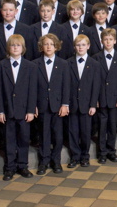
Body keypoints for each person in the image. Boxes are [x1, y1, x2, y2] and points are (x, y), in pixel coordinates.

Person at [0, 34, 36, 181]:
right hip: (7, 110)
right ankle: (9, 168)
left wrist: (31, 110)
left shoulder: (30, 66)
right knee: (9, 139)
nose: (15, 48)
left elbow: (33, 91)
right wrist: (0, 110)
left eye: (18, 45)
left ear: (23, 48)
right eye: (12, 45)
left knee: (24, 139)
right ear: (8, 48)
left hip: (24, 110)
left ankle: (22, 166)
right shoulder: (0, 66)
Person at [34, 34, 70, 175]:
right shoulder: (35, 64)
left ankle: (56, 161)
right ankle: (44, 162)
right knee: (44, 135)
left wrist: (65, 104)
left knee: (58, 136)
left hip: (58, 106)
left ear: (56, 46)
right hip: (42, 105)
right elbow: (33, 87)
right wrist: (33, 105)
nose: (48, 47)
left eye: (51, 44)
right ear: (41, 47)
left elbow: (66, 86)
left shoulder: (63, 64)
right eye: (46, 44)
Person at [93, 28, 117, 163]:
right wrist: (95, 99)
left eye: (110, 40)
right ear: (102, 41)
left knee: (112, 125)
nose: (108, 42)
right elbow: (94, 81)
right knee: (102, 126)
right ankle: (102, 152)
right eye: (105, 39)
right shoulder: (96, 58)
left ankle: (111, 151)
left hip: (114, 97)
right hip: (101, 97)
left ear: (115, 41)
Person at [67, 34, 100, 168]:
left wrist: (93, 104)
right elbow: (66, 85)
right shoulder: (68, 63)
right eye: (78, 45)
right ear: (74, 47)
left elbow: (96, 86)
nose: (80, 47)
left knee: (86, 131)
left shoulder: (94, 64)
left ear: (88, 46)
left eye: (83, 45)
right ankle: (75, 156)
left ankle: (85, 156)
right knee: (73, 131)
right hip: (72, 104)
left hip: (87, 104)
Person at [0, 0, 33, 64]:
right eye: (5, 10)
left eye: (11, 10)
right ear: (1, 11)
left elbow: (28, 54)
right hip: (0, 68)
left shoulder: (26, 29)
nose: (8, 13)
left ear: (16, 11)